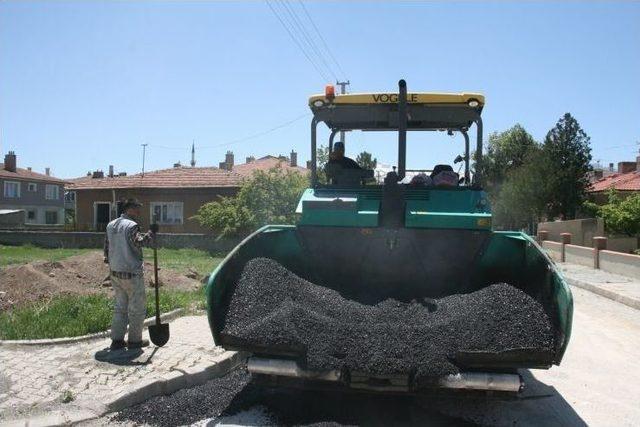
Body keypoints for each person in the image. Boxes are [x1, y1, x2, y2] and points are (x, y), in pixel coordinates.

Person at [103, 199, 155, 350]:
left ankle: (117, 341)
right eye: (137, 209)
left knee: (120, 307)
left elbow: (107, 248)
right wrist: (151, 233)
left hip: (115, 272)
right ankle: (134, 341)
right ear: (129, 209)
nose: (139, 212)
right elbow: (140, 242)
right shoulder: (132, 226)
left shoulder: (111, 225)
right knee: (136, 309)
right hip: (131, 273)